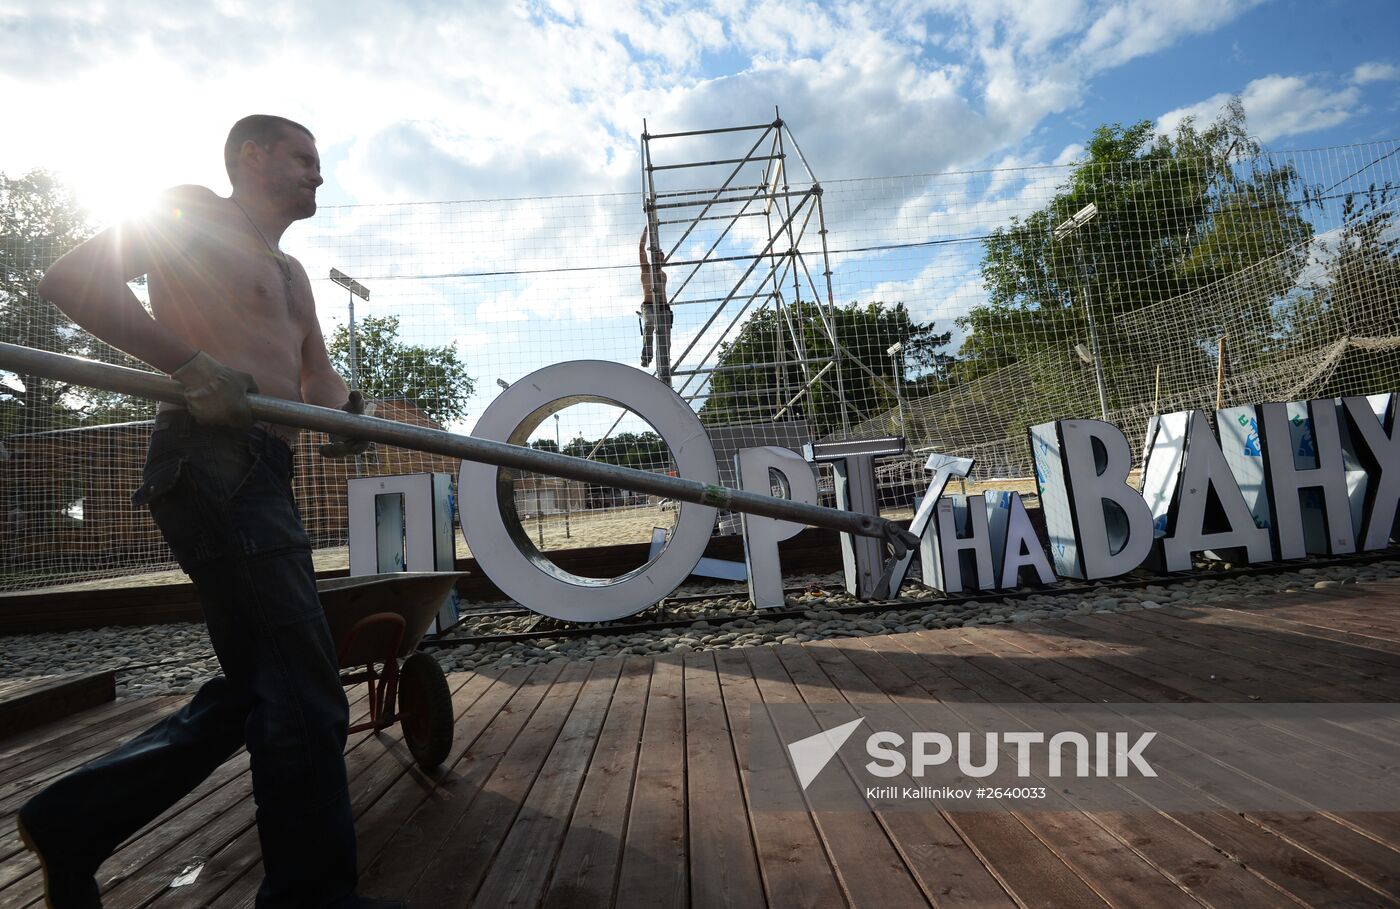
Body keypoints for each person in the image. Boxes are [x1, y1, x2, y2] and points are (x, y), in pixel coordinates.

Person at [19, 115, 396, 909]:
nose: (318, 174)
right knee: (301, 688)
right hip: (209, 457)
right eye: (304, 158)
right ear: (251, 156)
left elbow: (315, 375)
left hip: (266, 470)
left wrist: (349, 412)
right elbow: (72, 279)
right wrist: (188, 363)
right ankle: (310, 899)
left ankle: (73, 820)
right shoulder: (192, 211)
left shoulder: (293, 272)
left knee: (269, 683)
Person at [637, 225, 672, 383]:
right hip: (649, 305)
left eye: (661, 257)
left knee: (665, 337)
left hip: (664, 307)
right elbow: (641, 247)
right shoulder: (646, 269)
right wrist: (647, 230)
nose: (660, 260)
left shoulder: (663, 274)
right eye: (657, 257)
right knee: (649, 328)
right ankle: (646, 357)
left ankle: (665, 364)